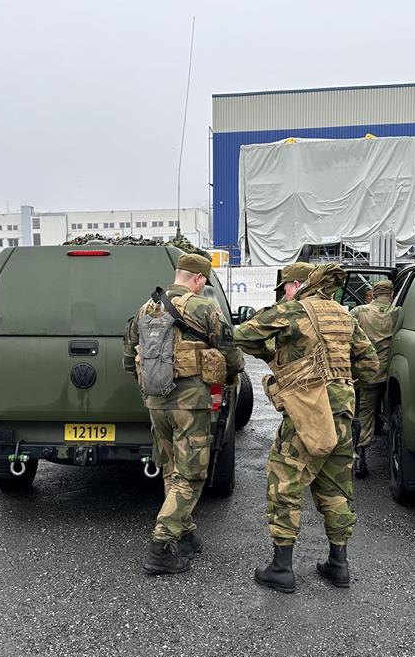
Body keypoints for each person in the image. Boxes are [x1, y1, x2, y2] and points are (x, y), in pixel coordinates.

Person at [233, 263, 379, 593]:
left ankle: (281, 568)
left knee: (284, 483)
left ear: (297, 285)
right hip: (342, 414)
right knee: (336, 488)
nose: (284, 293)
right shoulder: (345, 316)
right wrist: (339, 381)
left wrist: (273, 357)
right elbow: (371, 366)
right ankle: (338, 564)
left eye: (285, 287)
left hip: (308, 414)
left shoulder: (292, 311)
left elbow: (243, 335)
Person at [123, 252, 244, 575]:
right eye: (204, 281)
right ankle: (161, 546)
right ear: (198, 279)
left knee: (173, 470)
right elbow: (230, 352)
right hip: (190, 404)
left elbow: (128, 354)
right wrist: (233, 373)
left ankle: (185, 534)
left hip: (156, 403)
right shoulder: (204, 308)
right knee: (191, 475)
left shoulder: (146, 308)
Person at [350, 280, 397, 478]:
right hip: (392, 373)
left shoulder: (359, 312)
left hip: (367, 373)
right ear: (391, 295)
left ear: (373, 295)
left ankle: (359, 458)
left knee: (364, 413)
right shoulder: (399, 312)